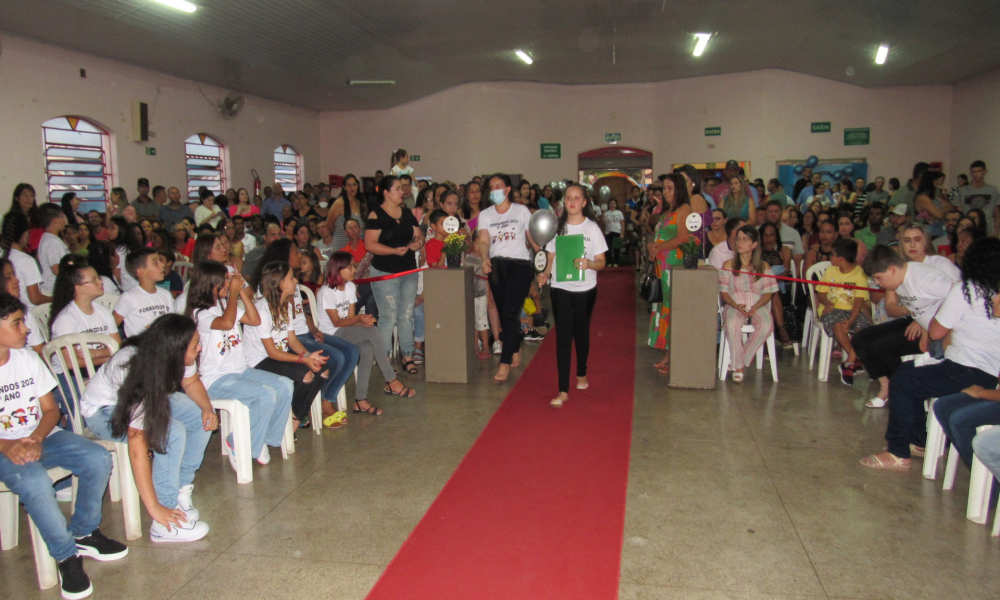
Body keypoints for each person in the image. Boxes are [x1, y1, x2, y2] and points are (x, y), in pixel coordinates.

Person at [0, 294, 129, 599]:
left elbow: (51, 410)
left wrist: (36, 439)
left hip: (39, 436)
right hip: (3, 446)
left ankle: (84, 531)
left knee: (97, 457)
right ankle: (66, 556)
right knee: (34, 481)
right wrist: (8, 445)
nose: (26, 330)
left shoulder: (27, 358)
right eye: (17, 323)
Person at [862, 237, 1000, 471]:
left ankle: (897, 451)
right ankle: (920, 440)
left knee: (903, 382)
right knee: (905, 371)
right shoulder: (990, 291)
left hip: (972, 368)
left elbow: (936, 331)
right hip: (971, 364)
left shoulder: (964, 289)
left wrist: (933, 323)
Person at [81, 314, 215, 542]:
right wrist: (154, 507)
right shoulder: (137, 368)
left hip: (148, 397)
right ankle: (164, 518)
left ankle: (180, 488)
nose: (200, 348)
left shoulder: (171, 355)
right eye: (195, 345)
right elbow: (137, 443)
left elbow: (190, 382)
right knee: (172, 433)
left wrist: (207, 408)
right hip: (105, 410)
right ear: (175, 349)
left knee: (197, 418)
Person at [186, 261, 293, 467]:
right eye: (225, 281)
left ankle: (260, 438)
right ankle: (236, 442)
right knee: (265, 394)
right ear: (211, 285)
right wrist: (233, 294)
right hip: (216, 379)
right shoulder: (201, 314)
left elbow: (255, 320)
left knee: (285, 385)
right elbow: (226, 323)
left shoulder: (228, 305)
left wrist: (242, 290)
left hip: (240, 370)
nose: (229, 283)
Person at [856, 245, 957, 408]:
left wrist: (950, 334)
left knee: (886, 352)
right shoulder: (898, 282)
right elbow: (922, 307)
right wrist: (925, 328)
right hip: (928, 330)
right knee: (867, 341)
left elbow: (961, 295)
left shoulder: (925, 278)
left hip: (951, 336)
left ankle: (911, 394)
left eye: (878, 277)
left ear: (892, 270)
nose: (877, 283)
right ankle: (898, 390)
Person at [317, 252, 416, 415]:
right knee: (373, 332)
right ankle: (391, 379)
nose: (354, 270)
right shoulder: (326, 292)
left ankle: (360, 400)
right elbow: (337, 322)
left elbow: (349, 318)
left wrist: (362, 320)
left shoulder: (349, 286)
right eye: (349, 267)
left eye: (353, 266)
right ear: (337, 269)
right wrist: (359, 319)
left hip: (344, 331)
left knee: (368, 348)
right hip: (330, 335)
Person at [535, 184, 606, 407]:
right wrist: (545, 274)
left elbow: (602, 262)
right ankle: (563, 389)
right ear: (563, 202)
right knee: (563, 336)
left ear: (584, 202)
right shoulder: (558, 228)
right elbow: (551, 255)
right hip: (560, 288)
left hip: (586, 288)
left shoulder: (592, 229)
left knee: (581, 333)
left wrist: (590, 263)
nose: (572, 202)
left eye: (577, 198)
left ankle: (582, 371)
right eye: (568, 198)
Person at [243, 261, 328, 429]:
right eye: (292, 277)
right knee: (306, 375)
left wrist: (310, 356)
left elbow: (292, 340)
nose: (296, 281)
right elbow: (272, 352)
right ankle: (290, 424)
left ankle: (294, 418)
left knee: (322, 369)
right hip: (260, 360)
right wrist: (303, 360)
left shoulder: (286, 306)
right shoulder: (262, 309)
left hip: (278, 355)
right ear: (281, 284)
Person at [476, 173, 537, 381]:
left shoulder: (521, 211)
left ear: (508, 189)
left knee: (511, 311)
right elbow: (483, 241)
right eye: (492, 187)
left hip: (519, 265)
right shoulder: (486, 215)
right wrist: (484, 257)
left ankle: (505, 361)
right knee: (504, 313)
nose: (495, 190)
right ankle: (515, 344)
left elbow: (533, 237)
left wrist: (545, 257)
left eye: (499, 186)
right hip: (497, 265)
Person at [365, 175, 423, 375]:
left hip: (408, 271)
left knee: (406, 315)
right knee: (388, 316)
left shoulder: (407, 213)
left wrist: (418, 243)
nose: (402, 191)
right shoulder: (376, 215)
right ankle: (385, 360)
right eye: (398, 188)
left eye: (403, 188)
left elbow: (419, 235)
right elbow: (370, 244)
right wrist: (392, 251)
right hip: (385, 272)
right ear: (386, 192)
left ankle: (407, 356)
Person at [718, 225, 778, 382]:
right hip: (734, 304)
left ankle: (740, 361)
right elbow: (724, 293)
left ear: (754, 244)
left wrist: (756, 306)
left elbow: (768, 293)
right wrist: (736, 305)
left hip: (757, 303)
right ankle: (739, 366)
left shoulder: (763, 266)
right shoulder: (728, 265)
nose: (740, 242)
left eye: (745, 239)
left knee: (766, 325)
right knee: (732, 323)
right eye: (738, 239)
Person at [646, 173, 692, 373]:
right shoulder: (665, 211)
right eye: (664, 188)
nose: (665, 192)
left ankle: (675, 356)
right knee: (665, 308)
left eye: (670, 188)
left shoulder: (685, 209)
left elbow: (682, 238)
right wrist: (651, 247)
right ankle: (669, 353)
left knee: (673, 310)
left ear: (679, 189)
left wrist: (659, 247)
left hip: (674, 263)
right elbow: (657, 235)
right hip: (661, 264)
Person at [815, 238, 871, 385]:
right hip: (833, 309)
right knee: (838, 324)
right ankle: (855, 360)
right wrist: (826, 302)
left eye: (832, 254)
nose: (830, 257)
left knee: (862, 329)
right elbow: (820, 293)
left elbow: (859, 302)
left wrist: (851, 320)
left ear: (840, 259)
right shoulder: (830, 271)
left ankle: (848, 363)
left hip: (853, 310)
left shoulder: (860, 275)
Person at [49, 255, 121, 369]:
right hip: (72, 376)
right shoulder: (66, 319)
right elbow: (71, 363)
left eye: (98, 278)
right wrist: (109, 357)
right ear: (79, 288)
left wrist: (96, 353)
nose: (100, 282)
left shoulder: (103, 311)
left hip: (98, 367)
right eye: (94, 280)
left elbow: (117, 345)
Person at [112, 248, 174, 338]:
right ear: (141, 271)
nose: (162, 265)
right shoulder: (129, 297)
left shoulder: (166, 295)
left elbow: (171, 324)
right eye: (155, 263)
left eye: (160, 261)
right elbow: (111, 327)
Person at [2, 211, 51, 309]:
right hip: (27, 311)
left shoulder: (2, 256)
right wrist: (55, 299)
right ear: (25, 235)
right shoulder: (27, 261)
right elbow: (35, 298)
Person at [758, 222, 794, 348]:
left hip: (780, 289)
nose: (768, 239)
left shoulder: (784, 250)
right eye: (765, 235)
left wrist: (773, 280)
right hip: (760, 290)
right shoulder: (756, 252)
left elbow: (787, 273)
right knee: (770, 290)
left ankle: (779, 333)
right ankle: (782, 330)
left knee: (772, 290)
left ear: (776, 236)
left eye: (771, 235)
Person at [956, 161, 1000, 234]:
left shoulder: (992, 190)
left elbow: (997, 215)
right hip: (967, 231)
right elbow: (959, 214)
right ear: (970, 174)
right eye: (973, 172)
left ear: (985, 172)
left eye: (979, 171)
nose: (976, 174)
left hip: (987, 231)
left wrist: (995, 233)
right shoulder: (962, 191)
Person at [38, 204, 70, 297]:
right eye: (62, 217)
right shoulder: (52, 242)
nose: (64, 220)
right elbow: (57, 269)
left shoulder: (50, 238)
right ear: (56, 219)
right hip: (53, 290)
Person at [602, 199, 625, 267]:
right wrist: (603, 219)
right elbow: (603, 224)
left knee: (616, 248)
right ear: (609, 205)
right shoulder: (606, 213)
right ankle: (609, 262)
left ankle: (616, 262)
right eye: (611, 204)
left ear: (616, 204)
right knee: (608, 248)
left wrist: (622, 233)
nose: (612, 205)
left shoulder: (619, 213)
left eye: (614, 204)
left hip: (617, 231)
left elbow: (622, 223)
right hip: (608, 232)